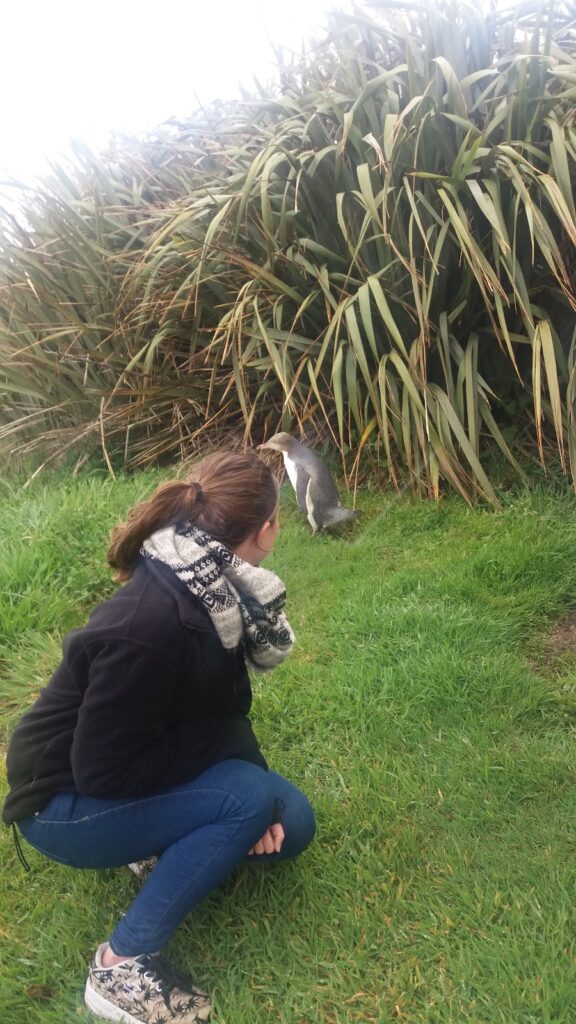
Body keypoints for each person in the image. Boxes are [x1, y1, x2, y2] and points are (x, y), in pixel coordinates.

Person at [2, 449, 316, 1024]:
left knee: (290, 822)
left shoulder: (215, 591)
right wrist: (244, 790)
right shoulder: (148, 626)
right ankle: (120, 966)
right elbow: (103, 770)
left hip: (118, 768)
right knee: (243, 799)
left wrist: (257, 789)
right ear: (266, 529)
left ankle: (167, 838)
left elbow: (223, 716)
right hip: (62, 802)